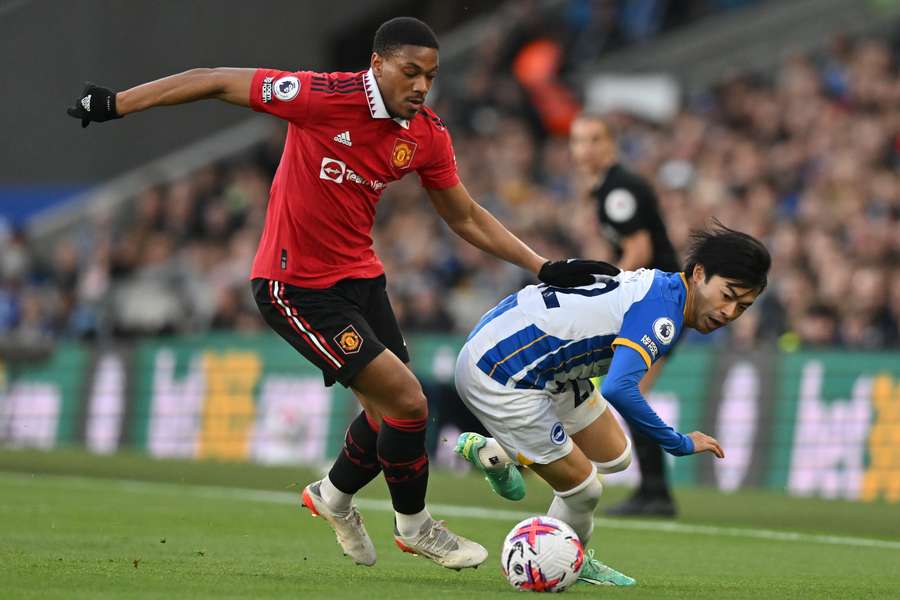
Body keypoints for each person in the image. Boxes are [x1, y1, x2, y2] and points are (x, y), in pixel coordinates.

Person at [66, 17, 616, 571]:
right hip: (294, 286)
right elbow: (212, 78)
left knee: (386, 416)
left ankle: (331, 496)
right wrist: (116, 104)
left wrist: (543, 265)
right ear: (377, 65)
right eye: (410, 72)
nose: (422, 86)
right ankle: (416, 527)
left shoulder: (426, 134)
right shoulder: (320, 95)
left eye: (430, 75)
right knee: (408, 403)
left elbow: (465, 215)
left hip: (360, 278)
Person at [454, 224, 771, 585]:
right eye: (727, 295)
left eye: (742, 306)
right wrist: (678, 442)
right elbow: (620, 388)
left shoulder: (665, 287)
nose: (730, 312)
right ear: (699, 273)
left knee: (615, 456)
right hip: (504, 370)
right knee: (585, 490)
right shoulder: (663, 315)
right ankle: (569, 560)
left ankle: (496, 452)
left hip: (540, 359)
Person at [569, 113, 683, 517]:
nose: (585, 149)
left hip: (660, 303)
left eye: (594, 139)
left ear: (611, 144)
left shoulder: (619, 190)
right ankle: (654, 491)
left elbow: (638, 250)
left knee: (631, 393)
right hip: (659, 299)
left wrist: (606, 295)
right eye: (578, 141)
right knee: (630, 393)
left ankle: (656, 493)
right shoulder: (608, 188)